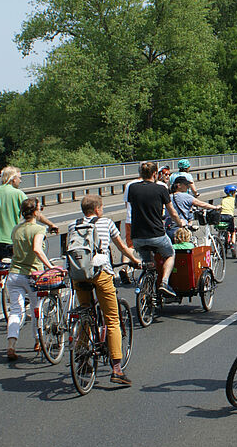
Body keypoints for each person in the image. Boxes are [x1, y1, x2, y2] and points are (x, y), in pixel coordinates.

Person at [68, 194, 142, 384]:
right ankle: (117, 369)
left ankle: (83, 355)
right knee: (112, 319)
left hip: (79, 276)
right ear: (98, 209)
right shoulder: (106, 223)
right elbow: (122, 247)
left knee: (85, 312)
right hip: (101, 274)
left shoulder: (72, 225)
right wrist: (134, 261)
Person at [0, 166, 57, 328]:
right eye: (19, 177)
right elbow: (34, 213)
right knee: (23, 270)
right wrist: (50, 224)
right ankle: (23, 301)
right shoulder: (18, 194)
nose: (20, 180)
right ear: (12, 178)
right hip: (10, 240)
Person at [5, 197, 57, 361]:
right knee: (37, 309)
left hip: (14, 275)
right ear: (36, 212)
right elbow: (36, 249)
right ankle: (37, 341)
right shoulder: (38, 229)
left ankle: (11, 344)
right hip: (33, 275)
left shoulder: (16, 229)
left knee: (16, 311)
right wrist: (50, 267)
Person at [127, 162, 185, 298]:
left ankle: (147, 290)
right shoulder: (161, 189)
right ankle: (164, 283)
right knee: (170, 254)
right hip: (156, 234)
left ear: (140, 174)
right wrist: (180, 224)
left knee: (148, 262)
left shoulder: (132, 188)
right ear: (155, 174)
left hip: (137, 236)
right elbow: (172, 212)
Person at [165, 177, 221, 241]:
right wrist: (215, 207)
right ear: (179, 185)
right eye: (186, 185)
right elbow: (201, 204)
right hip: (181, 228)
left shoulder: (169, 196)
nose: (188, 187)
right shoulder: (185, 196)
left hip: (169, 227)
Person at [219, 185, 237, 257]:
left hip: (221, 216)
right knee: (232, 232)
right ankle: (232, 245)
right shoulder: (234, 200)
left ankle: (220, 240)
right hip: (229, 217)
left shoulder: (224, 200)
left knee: (222, 228)